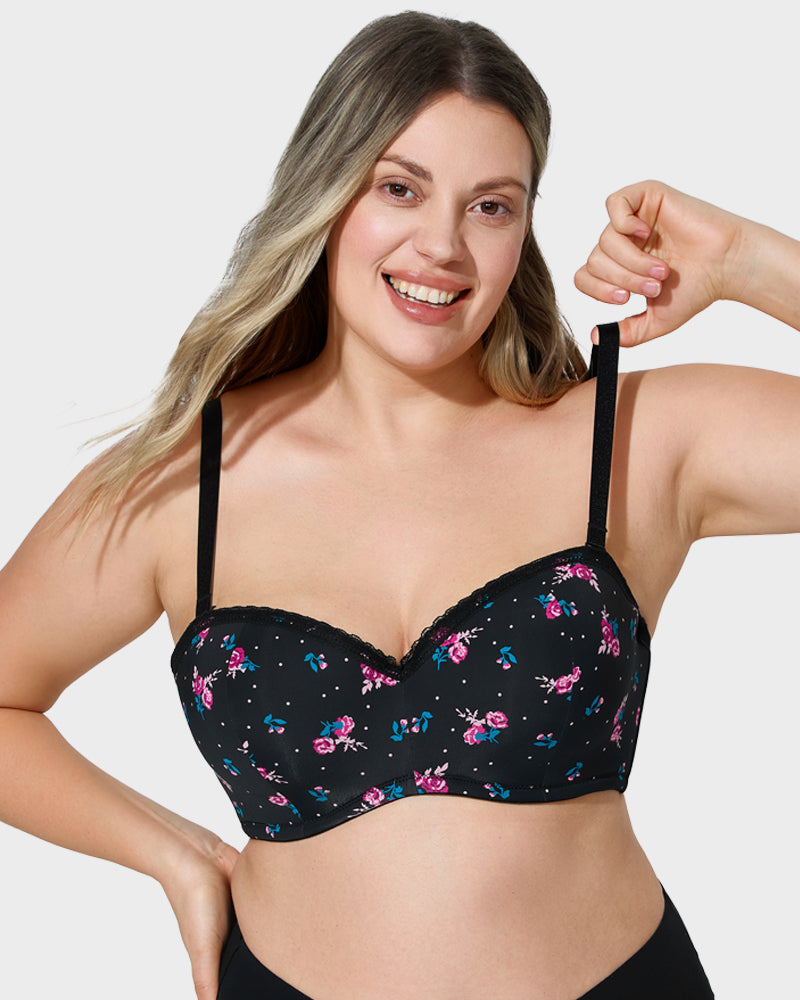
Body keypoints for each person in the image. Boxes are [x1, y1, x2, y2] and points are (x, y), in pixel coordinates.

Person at [1, 10, 797, 999]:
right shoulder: (186, 478)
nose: (442, 246)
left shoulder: (633, 440)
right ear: (327, 192)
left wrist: (753, 262)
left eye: (490, 206)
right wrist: (172, 853)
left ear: (523, 232)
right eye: (399, 188)